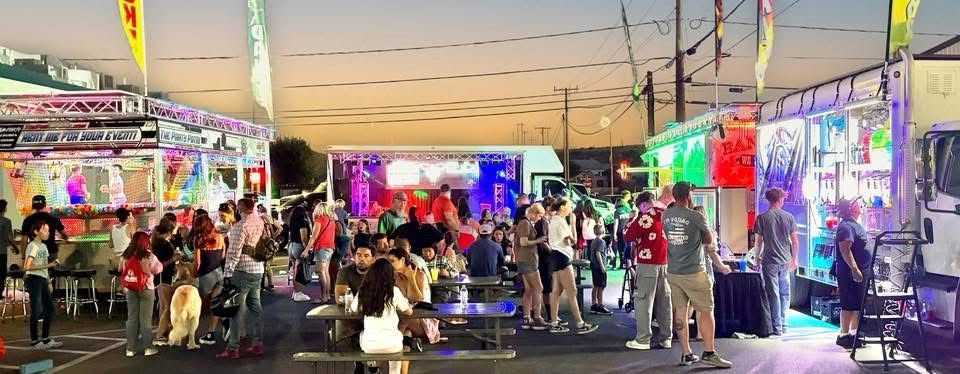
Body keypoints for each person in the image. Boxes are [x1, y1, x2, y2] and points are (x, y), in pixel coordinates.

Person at [662, 182, 733, 368]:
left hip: (673, 271)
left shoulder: (666, 215)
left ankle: (686, 354)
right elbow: (708, 240)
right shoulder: (696, 216)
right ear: (688, 196)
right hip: (694, 271)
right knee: (706, 311)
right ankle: (709, 352)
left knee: (680, 312)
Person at [624, 191, 672, 350]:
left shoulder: (646, 217)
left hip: (647, 264)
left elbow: (627, 235)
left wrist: (633, 218)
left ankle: (643, 339)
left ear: (643, 204)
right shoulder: (665, 214)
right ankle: (666, 338)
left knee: (644, 301)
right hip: (664, 263)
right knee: (664, 302)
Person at [350, 258, 414, 374]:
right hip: (392, 343)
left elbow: (353, 309)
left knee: (359, 334)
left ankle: (368, 365)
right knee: (395, 366)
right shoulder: (394, 291)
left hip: (369, 345)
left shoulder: (364, 291)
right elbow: (409, 312)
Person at [220, 198, 266, 359]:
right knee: (255, 307)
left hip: (242, 270)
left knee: (236, 309)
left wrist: (227, 274)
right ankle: (257, 344)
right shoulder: (259, 221)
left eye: (238, 208)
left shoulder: (240, 226)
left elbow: (233, 253)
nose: (237, 210)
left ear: (241, 208)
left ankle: (233, 347)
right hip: (257, 269)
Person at [546, 197, 598, 335]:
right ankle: (580, 323)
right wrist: (573, 224)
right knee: (571, 290)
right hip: (562, 256)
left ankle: (554, 322)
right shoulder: (560, 221)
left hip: (556, 256)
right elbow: (572, 240)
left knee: (556, 291)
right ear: (562, 207)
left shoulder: (554, 220)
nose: (571, 208)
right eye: (569, 205)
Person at [754, 188, 799, 335]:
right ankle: (784, 323)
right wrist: (794, 259)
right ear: (779, 199)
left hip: (769, 260)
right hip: (785, 260)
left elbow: (758, 242)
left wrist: (756, 259)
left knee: (773, 292)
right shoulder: (789, 217)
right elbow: (795, 241)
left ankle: (776, 326)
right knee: (785, 292)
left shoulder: (762, 218)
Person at [388, 248, 439, 374]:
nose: (390, 265)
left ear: (403, 260)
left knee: (402, 324)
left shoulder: (419, 275)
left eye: (392, 261)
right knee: (405, 338)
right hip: (407, 320)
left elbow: (417, 299)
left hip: (423, 321)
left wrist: (411, 279)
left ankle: (390, 339)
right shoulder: (396, 277)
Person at [834, 197, 870, 349]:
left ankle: (854, 335)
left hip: (857, 272)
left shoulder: (853, 224)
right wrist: (855, 269)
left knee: (856, 305)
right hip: (850, 273)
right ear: (851, 209)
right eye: (856, 204)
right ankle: (844, 336)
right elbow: (845, 249)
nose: (859, 205)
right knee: (848, 304)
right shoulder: (847, 227)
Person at [120, 232, 163, 357]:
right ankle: (148, 348)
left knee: (132, 318)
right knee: (145, 320)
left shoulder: (126, 255)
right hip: (146, 289)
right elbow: (158, 269)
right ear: (146, 242)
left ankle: (130, 349)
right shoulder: (149, 256)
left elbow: (121, 270)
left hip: (130, 289)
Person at [22, 222, 63, 350]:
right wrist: (49, 265)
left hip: (42, 278)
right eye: (44, 230)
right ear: (36, 232)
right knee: (37, 309)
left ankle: (45, 339)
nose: (48, 232)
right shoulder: (33, 246)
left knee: (50, 308)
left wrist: (49, 282)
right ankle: (34, 340)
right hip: (34, 279)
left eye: (48, 230)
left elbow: (44, 264)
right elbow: (27, 266)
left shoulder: (44, 246)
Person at [190, 215, 227, 345]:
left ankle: (192, 333)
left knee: (200, 305)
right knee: (216, 304)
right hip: (218, 273)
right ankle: (214, 330)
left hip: (206, 275)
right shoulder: (220, 237)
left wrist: (193, 274)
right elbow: (223, 256)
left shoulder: (198, 240)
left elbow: (198, 262)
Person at [513, 203, 550, 331]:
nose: (540, 218)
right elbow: (523, 242)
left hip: (524, 260)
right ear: (533, 213)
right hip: (528, 260)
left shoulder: (524, 223)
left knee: (529, 289)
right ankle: (537, 316)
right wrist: (538, 241)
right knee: (538, 287)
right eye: (539, 215)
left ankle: (527, 317)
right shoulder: (525, 223)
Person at [152, 219, 181, 347]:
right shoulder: (164, 244)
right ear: (170, 230)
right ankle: (159, 334)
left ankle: (162, 331)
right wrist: (174, 258)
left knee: (163, 305)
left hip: (160, 277)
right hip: (165, 277)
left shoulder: (158, 242)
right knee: (167, 306)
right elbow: (162, 264)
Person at [306, 202, 337, 304]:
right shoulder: (331, 220)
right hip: (330, 247)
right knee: (326, 272)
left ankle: (323, 297)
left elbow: (314, 237)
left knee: (320, 272)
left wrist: (306, 250)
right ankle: (327, 295)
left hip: (322, 247)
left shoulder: (319, 220)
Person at [21, 195, 68, 262]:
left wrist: (23, 257)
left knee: (37, 271)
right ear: (45, 204)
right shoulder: (53, 219)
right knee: (52, 270)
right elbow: (65, 234)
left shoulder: (28, 220)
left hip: (35, 252)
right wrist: (65, 238)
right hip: (51, 251)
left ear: (33, 205)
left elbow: (24, 241)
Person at [287, 204, 313, 302]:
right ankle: (298, 292)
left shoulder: (292, 221)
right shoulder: (303, 221)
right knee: (299, 271)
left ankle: (295, 292)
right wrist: (307, 249)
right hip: (299, 247)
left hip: (292, 246)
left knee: (294, 269)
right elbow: (304, 238)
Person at [587, 225, 611, 315]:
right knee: (601, 286)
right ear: (603, 231)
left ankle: (594, 304)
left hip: (594, 266)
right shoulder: (601, 242)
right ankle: (600, 305)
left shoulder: (593, 241)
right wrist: (602, 266)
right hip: (599, 267)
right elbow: (598, 254)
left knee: (596, 285)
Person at [612, 190, 633, 269]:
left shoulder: (617, 212)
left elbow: (616, 223)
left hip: (620, 232)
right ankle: (627, 263)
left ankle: (622, 264)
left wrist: (614, 234)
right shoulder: (629, 210)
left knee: (621, 248)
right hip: (627, 231)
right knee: (627, 247)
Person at [0, 200, 15, 295]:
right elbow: (8, 237)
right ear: (4, 209)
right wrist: (16, 247)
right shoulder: (6, 221)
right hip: (1, 252)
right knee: (1, 274)